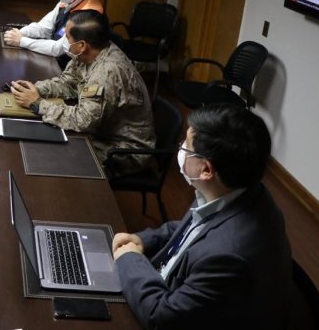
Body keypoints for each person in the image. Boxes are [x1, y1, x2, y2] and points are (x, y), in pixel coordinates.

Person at [112, 104, 292, 329]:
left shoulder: (228, 257)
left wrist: (130, 259)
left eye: (185, 147)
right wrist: (143, 241)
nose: (181, 149)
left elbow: (161, 318)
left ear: (206, 169)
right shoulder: (234, 188)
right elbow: (195, 227)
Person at [10, 9, 155, 175]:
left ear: (82, 45)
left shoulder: (107, 72)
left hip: (122, 150)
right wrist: (38, 89)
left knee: (50, 160)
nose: (64, 40)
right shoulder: (89, 53)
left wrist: (37, 103)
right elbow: (68, 83)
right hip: (103, 132)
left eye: (67, 37)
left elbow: (84, 121)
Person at [3, 0, 104, 68]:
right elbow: (43, 27)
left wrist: (22, 41)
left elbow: (58, 49)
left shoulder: (89, 14)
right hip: (53, 60)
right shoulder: (68, 1)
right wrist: (20, 32)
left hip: (71, 67)